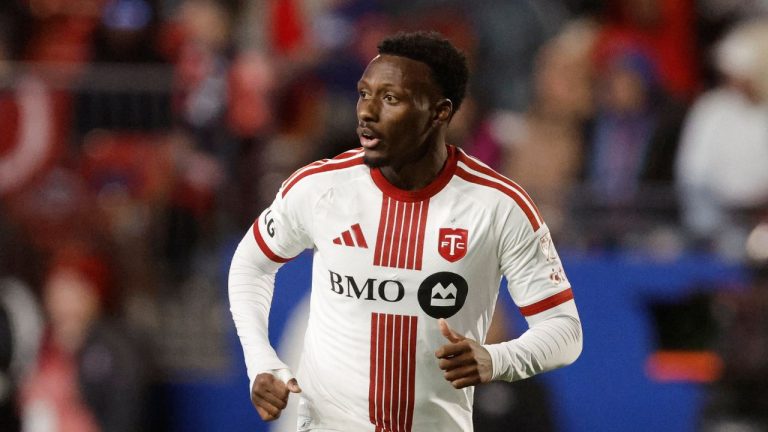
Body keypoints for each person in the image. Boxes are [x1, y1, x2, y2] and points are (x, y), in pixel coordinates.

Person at [228, 31, 583, 431]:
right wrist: (260, 359)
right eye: (365, 94)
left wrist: (497, 359)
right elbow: (249, 264)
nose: (367, 111)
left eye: (391, 98)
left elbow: (565, 330)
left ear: (440, 112)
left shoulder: (500, 206)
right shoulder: (319, 188)